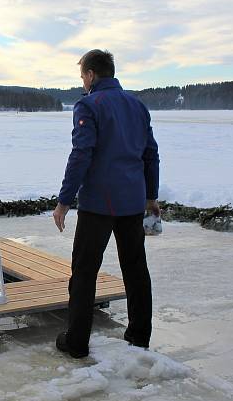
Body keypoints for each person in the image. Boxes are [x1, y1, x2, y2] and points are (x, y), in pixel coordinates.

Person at [52, 49, 160, 358]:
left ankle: (76, 341)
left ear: (90, 75)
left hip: (98, 203)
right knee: (136, 269)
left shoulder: (89, 104)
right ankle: (139, 337)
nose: (83, 83)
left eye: (82, 77)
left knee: (84, 272)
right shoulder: (137, 105)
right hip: (131, 202)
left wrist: (64, 200)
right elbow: (150, 154)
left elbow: (81, 154)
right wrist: (150, 195)